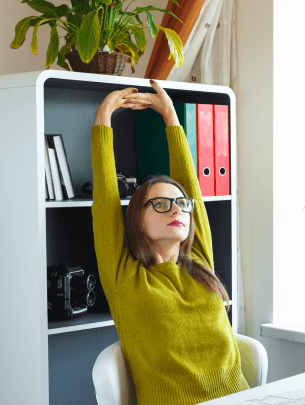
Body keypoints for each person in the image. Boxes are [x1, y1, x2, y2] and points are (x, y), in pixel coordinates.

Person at [91, 79, 249, 405]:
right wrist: (104, 116)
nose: (176, 209)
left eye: (181, 204)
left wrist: (171, 118)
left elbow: (191, 186)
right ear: (137, 219)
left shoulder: (200, 264)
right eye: (161, 204)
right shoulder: (126, 279)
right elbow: (106, 201)